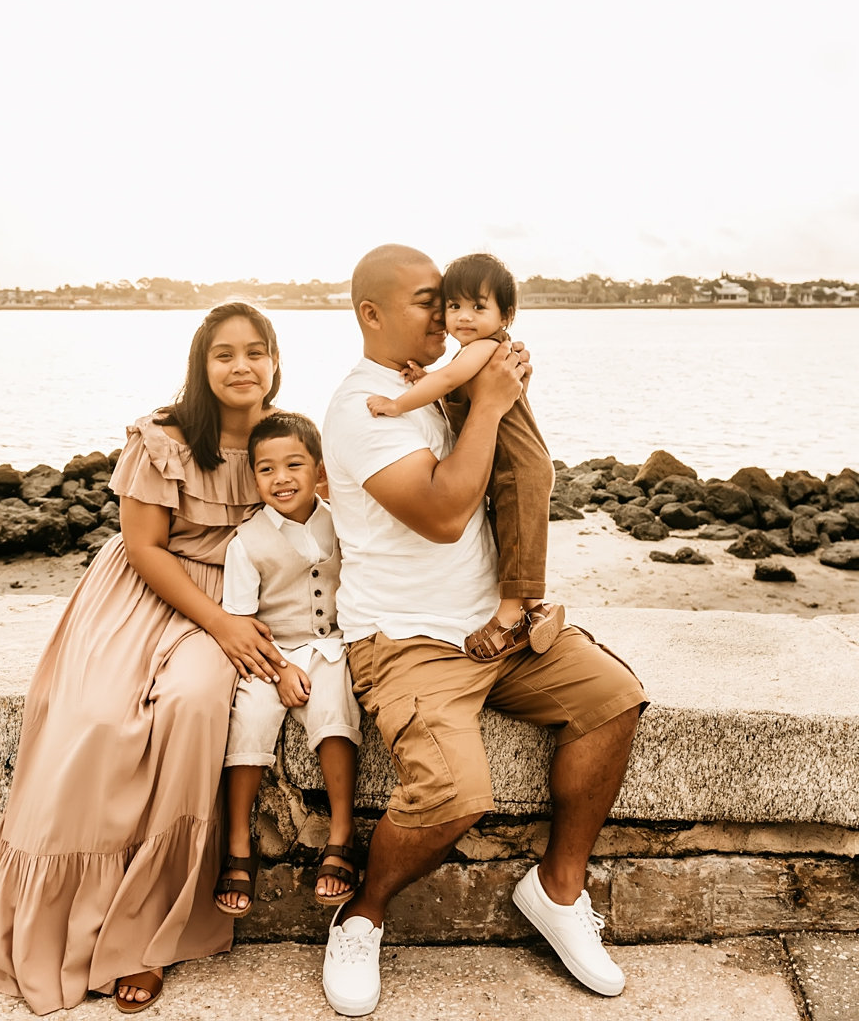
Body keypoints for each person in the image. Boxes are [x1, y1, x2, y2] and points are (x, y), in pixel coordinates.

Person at [318, 244, 648, 1016]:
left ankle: (558, 892)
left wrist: (520, 597)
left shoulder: (441, 378)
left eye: (454, 301)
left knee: (613, 697)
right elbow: (441, 514)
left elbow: (515, 477)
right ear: (370, 314)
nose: (448, 313)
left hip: (498, 632)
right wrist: (493, 402)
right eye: (429, 301)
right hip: (408, 643)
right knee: (458, 792)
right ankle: (362, 913)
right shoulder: (360, 406)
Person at [0, 302, 291, 1015]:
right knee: (101, 721)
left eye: (255, 351)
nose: (241, 366)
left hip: (234, 601)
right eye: (224, 354)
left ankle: (147, 936)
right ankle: (70, 921)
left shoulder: (285, 441)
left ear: (274, 361)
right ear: (202, 366)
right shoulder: (164, 439)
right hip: (147, 591)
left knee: (196, 706)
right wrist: (225, 627)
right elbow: (143, 549)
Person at [365, 252, 564, 664]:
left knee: (517, 533)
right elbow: (451, 381)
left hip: (519, 464)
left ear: (505, 315)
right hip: (505, 462)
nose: (462, 317)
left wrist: (398, 404)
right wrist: (425, 378)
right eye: (454, 306)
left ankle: (509, 616)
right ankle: (535, 613)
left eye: (478, 306)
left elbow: (452, 379)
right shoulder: (473, 353)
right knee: (511, 534)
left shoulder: (487, 348)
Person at [214, 410, 362, 917]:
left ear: (319, 470)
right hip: (269, 652)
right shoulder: (247, 541)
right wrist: (278, 669)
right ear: (253, 476)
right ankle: (238, 844)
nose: (281, 479)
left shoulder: (344, 520)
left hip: (332, 646)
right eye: (267, 469)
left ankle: (342, 831)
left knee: (334, 713)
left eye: (294, 465)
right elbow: (242, 621)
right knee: (249, 719)